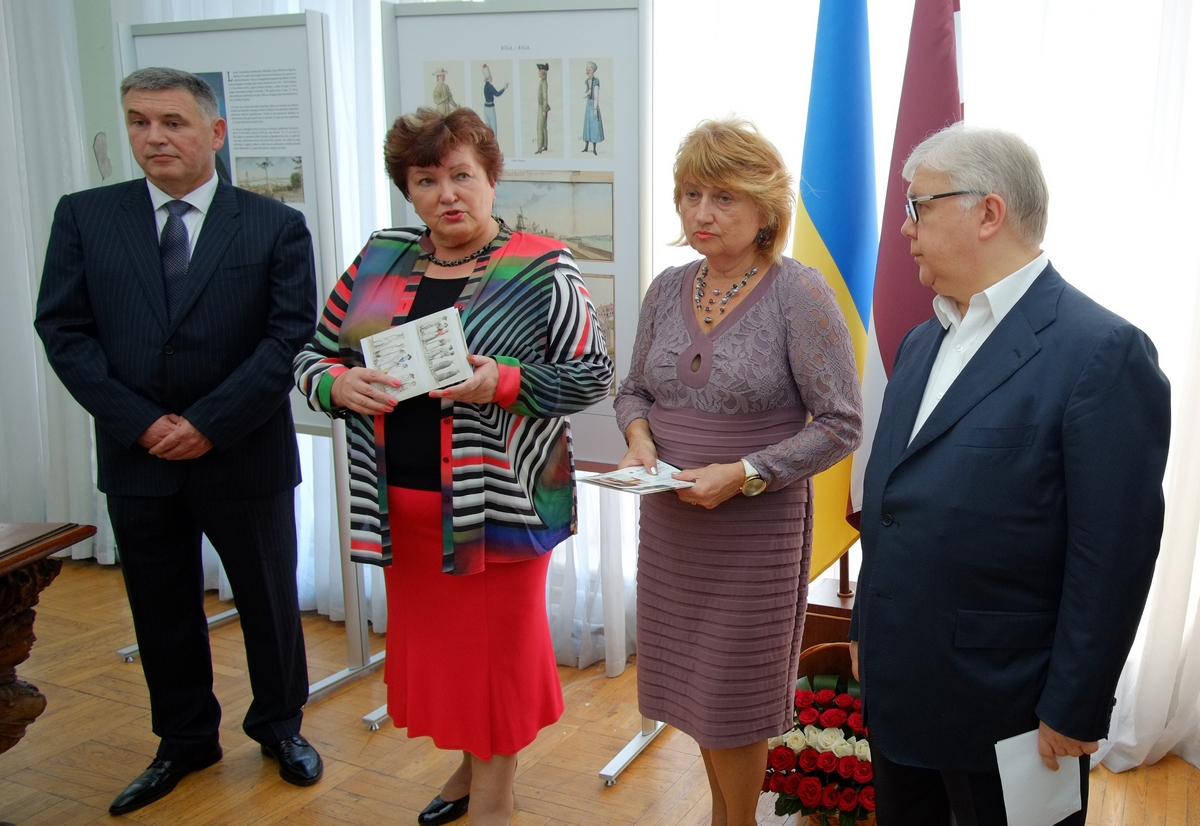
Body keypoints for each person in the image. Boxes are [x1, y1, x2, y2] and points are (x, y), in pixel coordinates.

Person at [293, 106, 612, 826]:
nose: (447, 195)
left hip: (501, 508)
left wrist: (500, 380)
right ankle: (470, 772)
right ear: (408, 190)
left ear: (492, 178)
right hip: (401, 510)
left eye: (462, 175)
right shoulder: (380, 258)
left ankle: (495, 801)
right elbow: (313, 355)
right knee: (451, 659)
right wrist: (335, 385)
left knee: (496, 659)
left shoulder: (541, 266)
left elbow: (592, 375)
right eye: (426, 180)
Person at [848, 124, 1171, 825]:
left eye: (919, 206)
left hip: (1012, 709)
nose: (904, 228)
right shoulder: (922, 340)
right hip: (902, 687)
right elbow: (894, 503)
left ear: (988, 212)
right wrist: (866, 626)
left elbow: (1113, 554)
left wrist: (1076, 703)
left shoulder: (1102, 352)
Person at [34, 67, 323, 816]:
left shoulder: (273, 224)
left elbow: (287, 336)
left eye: (172, 122)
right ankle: (185, 740)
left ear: (215, 133)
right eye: (139, 121)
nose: (154, 137)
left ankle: (280, 725)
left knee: (267, 599)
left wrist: (207, 424)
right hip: (138, 457)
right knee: (159, 607)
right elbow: (63, 330)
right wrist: (140, 422)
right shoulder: (85, 216)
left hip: (243, 453)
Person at [614, 117, 863, 826]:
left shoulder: (799, 292)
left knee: (733, 695)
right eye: (691, 194)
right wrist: (639, 440)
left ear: (765, 208)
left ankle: (737, 821)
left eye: (723, 196)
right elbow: (632, 391)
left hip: (754, 532)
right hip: (672, 528)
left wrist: (747, 471)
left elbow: (841, 422)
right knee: (697, 691)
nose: (702, 212)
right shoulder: (666, 288)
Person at [581, 62, 604, 155]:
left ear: (593, 71)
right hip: (588, 106)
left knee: (594, 126)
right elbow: (583, 96)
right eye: (587, 70)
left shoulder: (596, 81)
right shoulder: (586, 81)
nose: (587, 71)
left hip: (593, 105)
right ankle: (586, 147)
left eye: (589, 70)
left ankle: (594, 149)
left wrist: (595, 109)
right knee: (587, 126)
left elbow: (596, 96)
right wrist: (588, 92)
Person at [480, 64, 508, 135]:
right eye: (490, 77)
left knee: (488, 129)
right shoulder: (489, 86)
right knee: (493, 129)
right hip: (490, 108)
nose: (491, 78)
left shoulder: (485, 86)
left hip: (485, 108)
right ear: (488, 78)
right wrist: (504, 88)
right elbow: (497, 94)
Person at [534, 63, 549, 154]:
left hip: (542, 107)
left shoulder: (543, 83)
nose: (538, 72)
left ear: (543, 72)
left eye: (539, 71)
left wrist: (543, 110)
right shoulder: (543, 82)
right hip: (543, 106)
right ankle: (545, 146)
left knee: (540, 127)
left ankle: (540, 148)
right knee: (544, 127)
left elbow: (545, 97)